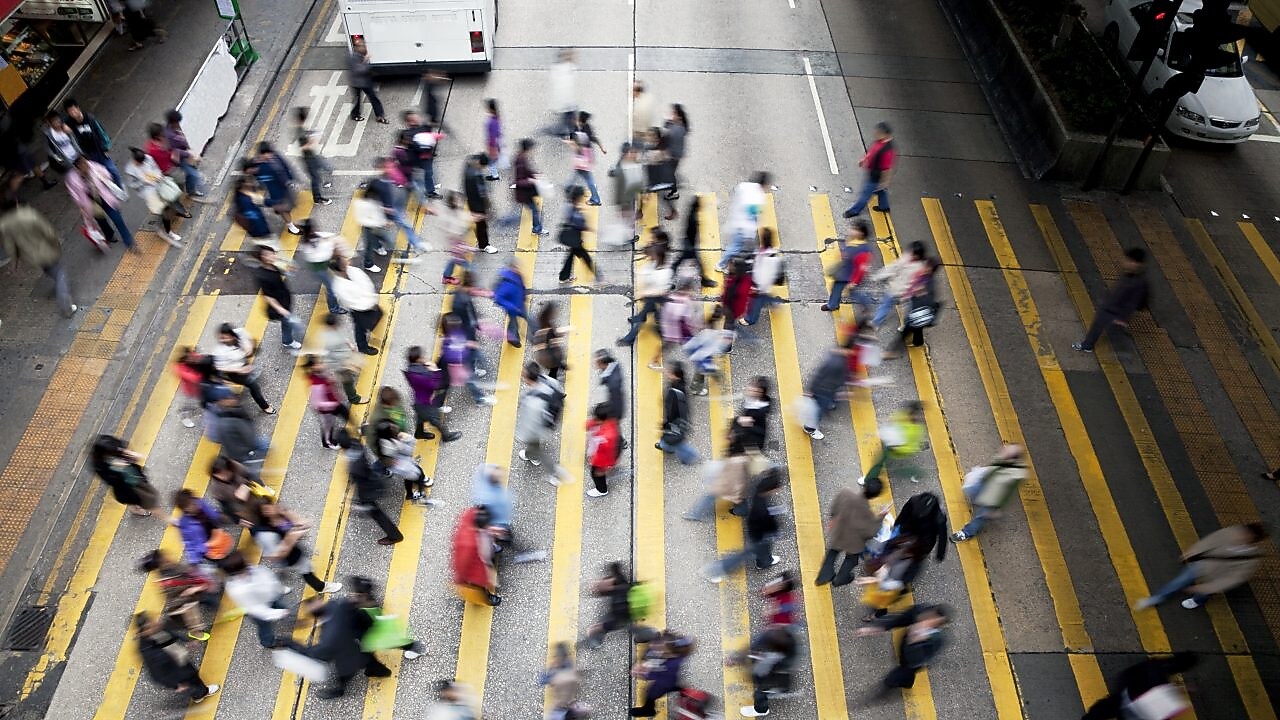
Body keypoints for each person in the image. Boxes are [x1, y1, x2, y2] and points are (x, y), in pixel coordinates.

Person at [1136, 522, 1267, 610]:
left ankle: (1198, 600)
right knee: (1179, 581)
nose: (1240, 535)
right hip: (1203, 565)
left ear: (1252, 540)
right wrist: (1192, 552)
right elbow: (1210, 541)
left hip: (1216, 577)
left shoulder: (1251, 559)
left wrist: (1207, 587)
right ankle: (1157, 598)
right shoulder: (1231, 533)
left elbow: (1232, 579)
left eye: (1245, 535)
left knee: (1203, 592)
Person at [704, 470, 784, 582]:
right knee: (744, 554)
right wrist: (773, 530)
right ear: (771, 489)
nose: (778, 490)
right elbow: (764, 521)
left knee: (761, 550)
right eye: (776, 488)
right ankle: (716, 570)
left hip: (757, 531)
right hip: (759, 535)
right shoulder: (762, 508)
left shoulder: (759, 491)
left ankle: (764, 561)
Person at [855, 604, 949, 697]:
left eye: (932, 621)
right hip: (904, 651)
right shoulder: (918, 611)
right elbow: (897, 620)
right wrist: (873, 629)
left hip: (912, 662)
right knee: (904, 668)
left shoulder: (937, 640)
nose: (926, 620)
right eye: (929, 616)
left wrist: (916, 640)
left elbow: (920, 660)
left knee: (892, 679)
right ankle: (907, 682)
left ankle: (889, 686)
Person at [0, 206, 77, 317]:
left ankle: (59, 287)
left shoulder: (3, 225)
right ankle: (66, 305)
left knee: (50, 270)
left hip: (31, 256)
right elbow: (48, 231)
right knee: (60, 274)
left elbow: (9, 246)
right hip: (46, 250)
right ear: (16, 203)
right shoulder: (29, 214)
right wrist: (56, 243)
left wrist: (15, 261)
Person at [252, 502, 342, 594]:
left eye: (270, 505)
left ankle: (283, 568)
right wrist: (290, 539)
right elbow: (276, 556)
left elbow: (301, 524)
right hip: (288, 556)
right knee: (306, 568)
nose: (273, 507)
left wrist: (288, 515)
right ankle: (321, 587)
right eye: (267, 509)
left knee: (303, 563)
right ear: (263, 514)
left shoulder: (279, 513)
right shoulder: (267, 535)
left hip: (292, 547)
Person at [1073, 247, 1151, 353]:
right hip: (1111, 306)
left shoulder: (1138, 282)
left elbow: (1132, 303)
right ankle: (1088, 344)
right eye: (1127, 260)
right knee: (1102, 326)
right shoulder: (1129, 274)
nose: (1127, 263)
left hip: (1114, 310)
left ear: (1139, 265)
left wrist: (1122, 318)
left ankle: (1088, 345)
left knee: (1104, 327)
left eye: (1131, 261)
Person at [1082, 653, 1198, 720]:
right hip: (1138, 707)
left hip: (1128, 699)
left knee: (1101, 710)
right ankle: (1188, 659)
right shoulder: (1152, 673)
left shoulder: (1149, 674)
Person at [135, 612, 217, 704]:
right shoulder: (148, 651)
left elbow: (171, 635)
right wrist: (176, 685)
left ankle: (197, 691)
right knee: (191, 679)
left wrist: (187, 641)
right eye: (150, 626)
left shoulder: (155, 630)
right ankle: (201, 694)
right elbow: (157, 674)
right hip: (174, 670)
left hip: (177, 658)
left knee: (192, 674)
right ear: (144, 631)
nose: (155, 625)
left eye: (152, 622)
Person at [950, 444, 1026, 542]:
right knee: (971, 490)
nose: (1004, 450)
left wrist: (997, 508)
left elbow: (1006, 494)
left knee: (981, 516)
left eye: (1007, 452)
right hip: (985, 485)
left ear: (1012, 459)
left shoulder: (1014, 476)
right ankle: (981, 504)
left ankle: (967, 533)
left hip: (993, 498)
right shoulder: (1004, 459)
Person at [816, 477, 884, 587]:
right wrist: (881, 517)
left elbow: (834, 508)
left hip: (839, 532)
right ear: (875, 496)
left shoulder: (845, 493)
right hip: (854, 542)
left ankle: (823, 576)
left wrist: (833, 518)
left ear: (864, 486)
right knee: (851, 560)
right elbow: (871, 532)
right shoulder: (868, 515)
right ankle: (840, 579)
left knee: (832, 553)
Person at [138, 549, 216, 642]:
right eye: (163, 560)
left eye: (163, 557)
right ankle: (195, 632)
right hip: (183, 604)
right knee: (192, 617)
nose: (167, 558)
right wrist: (195, 589)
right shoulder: (167, 581)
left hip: (191, 593)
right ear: (160, 565)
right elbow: (179, 600)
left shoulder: (171, 567)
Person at [342, 433, 404, 546]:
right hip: (372, 481)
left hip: (368, 490)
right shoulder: (356, 444)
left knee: (376, 513)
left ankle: (395, 535)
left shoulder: (355, 465)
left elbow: (360, 479)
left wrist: (363, 500)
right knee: (372, 510)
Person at [517, 362, 572, 485]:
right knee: (533, 448)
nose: (522, 376)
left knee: (536, 449)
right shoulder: (548, 380)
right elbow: (559, 392)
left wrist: (522, 437)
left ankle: (554, 473)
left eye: (524, 375)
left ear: (529, 379)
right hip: (551, 417)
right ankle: (531, 455)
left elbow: (530, 426)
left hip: (538, 429)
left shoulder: (532, 402)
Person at [222, 550, 289, 648]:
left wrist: (278, 589)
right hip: (261, 610)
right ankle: (268, 642)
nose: (248, 562)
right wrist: (277, 613)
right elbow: (256, 609)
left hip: (271, 598)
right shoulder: (238, 590)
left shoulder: (251, 569)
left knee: (281, 607)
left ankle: (285, 616)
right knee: (264, 626)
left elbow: (268, 577)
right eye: (245, 562)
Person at [67, 156, 133, 252]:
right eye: (83, 165)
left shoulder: (93, 166)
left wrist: (103, 178)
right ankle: (109, 235)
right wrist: (80, 205)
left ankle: (128, 240)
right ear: (78, 167)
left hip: (104, 196)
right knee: (101, 219)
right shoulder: (72, 178)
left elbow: (106, 174)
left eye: (85, 162)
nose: (86, 165)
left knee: (117, 218)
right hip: (90, 202)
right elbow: (74, 194)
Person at [124, 146, 187, 246]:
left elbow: (155, 168)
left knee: (167, 205)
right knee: (164, 209)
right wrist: (143, 182)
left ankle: (163, 224)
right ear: (135, 160)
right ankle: (168, 231)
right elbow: (132, 184)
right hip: (148, 192)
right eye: (140, 163)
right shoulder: (130, 170)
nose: (142, 164)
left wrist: (158, 175)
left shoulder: (148, 158)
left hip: (158, 185)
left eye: (143, 161)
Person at [618, 240, 673, 346]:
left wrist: (645, 293)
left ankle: (629, 339)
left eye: (652, 255)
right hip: (651, 298)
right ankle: (658, 330)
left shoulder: (665, 272)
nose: (649, 257)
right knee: (652, 316)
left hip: (658, 299)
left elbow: (662, 290)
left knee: (652, 318)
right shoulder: (654, 264)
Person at [857, 401, 926, 485]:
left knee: (883, 465)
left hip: (897, 449)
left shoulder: (916, 430)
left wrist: (896, 447)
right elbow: (893, 420)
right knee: (882, 463)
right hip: (892, 443)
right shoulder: (905, 415)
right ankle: (915, 472)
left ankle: (868, 479)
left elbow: (910, 447)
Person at [211, 322, 275, 412]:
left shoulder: (240, 332)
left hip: (243, 363)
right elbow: (220, 367)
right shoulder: (219, 351)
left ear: (232, 334)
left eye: (225, 337)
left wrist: (249, 347)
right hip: (235, 372)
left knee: (252, 373)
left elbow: (248, 339)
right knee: (254, 387)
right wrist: (240, 370)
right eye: (221, 338)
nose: (223, 340)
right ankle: (265, 407)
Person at [885, 256, 941, 358]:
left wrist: (917, 292)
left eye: (927, 265)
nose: (924, 266)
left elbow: (924, 296)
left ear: (930, 269)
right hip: (919, 312)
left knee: (905, 332)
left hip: (918, 312)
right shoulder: (926, 278)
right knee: (917, 328)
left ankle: (893, 352)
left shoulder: (928, 283)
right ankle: (918, 342)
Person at [738, 623, 799, 717]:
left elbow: (761, 671)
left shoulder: (772, 645)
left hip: (771, 673)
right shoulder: (788, 640)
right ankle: (780, 689)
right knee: (776, 683)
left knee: (761, 691)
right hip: (776, 670)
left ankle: (761, 710)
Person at [92, 434, 159, 517]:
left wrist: (129, 455)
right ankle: (135, 509)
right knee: (133, 498)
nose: (119, 449)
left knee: (141, 492)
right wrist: (118, 468)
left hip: (132, 475)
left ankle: (136, 505)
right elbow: (111, 481)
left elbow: (124, 450)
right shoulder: (100, 466)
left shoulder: (115, 447)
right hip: (125, 485)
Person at [629, 631, 693, 717]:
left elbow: (659, 676)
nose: (652, 645)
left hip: (663, 683)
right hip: (669, 678)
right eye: (657, 642)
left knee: (651, 695)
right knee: (674, 685)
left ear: (670, 654)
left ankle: (648, 710)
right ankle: (682, 690)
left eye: (659, 648)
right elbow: (651, 652)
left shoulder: (670, 666)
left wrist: (642, 673)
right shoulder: (667, 646)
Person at [405, 346, 462, 442]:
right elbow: (434, 385)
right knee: (435, 419)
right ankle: (446, 436)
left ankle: (419, 433)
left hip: (418, 400)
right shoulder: (420, 374)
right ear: (418, 359)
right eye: (422, 357)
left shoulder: (411, 370)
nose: (424, 358)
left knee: (420, 417)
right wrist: (436, 370)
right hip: (425, 402)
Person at [253, 245, 304, 350]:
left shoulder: (272, 266)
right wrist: (281, 309)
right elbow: (268, 296)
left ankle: (288, 336)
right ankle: (287, 341)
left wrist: (288, 267)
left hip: (284, 298)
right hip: (279, 305)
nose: (271, 256)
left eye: (272, 253)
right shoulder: (262, 275)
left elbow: (286, 272)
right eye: (267, 255)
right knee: (287, 323)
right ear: (261, 257)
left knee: (287, 322)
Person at [330, 255, 383, 355]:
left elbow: (367, 283)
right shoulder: (339, 286)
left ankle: (366, 335)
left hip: (369, 303)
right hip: (359, 309)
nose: (347, 261)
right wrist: (369, 304)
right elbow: (352, 302)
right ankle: (362, 347)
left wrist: (372, 299)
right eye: (344, 261)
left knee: (373, 319)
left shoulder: (353, 271)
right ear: (341, 268)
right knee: (360, 327)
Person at [718, 172, 769, 272]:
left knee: (744, 247)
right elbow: (752, 214)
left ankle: (748, 263)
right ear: (764, 184)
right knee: (736, 247)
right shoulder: (759, 196)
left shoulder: (744, 186)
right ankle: (721, 264)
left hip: (737, 220)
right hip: (743, 226)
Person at [870, 240, 928, 328]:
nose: (911, 254)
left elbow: (916, 283)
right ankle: (876, 323)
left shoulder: (920, 268)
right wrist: (879, 275)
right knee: (885, 306)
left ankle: (906, 326)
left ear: (919, 255)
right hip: (893, 288)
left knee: (906, 311)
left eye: (914, 253)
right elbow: (893, 267)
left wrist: (908, 294)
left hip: (905, 293)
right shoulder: (906, 257)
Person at [843, 122, 895, 219]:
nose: (875, 133)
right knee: (881, 191)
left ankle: (854, 211)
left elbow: (886, 169)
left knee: (865, 195)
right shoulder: (879, 141)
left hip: (876, 176)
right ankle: (884, 206)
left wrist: (885, 182)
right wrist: (864, 159)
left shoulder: (887, 150)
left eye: (878, 132)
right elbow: (872, 151)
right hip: (873, 172)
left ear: (885, 134)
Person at [820, 219, 874, 313]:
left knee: (854, 292)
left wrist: (854, 282)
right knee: (837, 289)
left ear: (861, 233)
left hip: (850, 277)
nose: (851, 230)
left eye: (855, 229)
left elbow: (860, 269)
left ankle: (865, 302)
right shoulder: (853, 241)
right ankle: (833, 305)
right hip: (844, 272)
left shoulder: (863, 251)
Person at [452, 505, 501, 606]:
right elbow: (462, 563)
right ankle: (487, 597)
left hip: (483, 552)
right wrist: (460, 579)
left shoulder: (471, 516)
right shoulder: (468, 544)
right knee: (481, 585)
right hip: (478, 567)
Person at [63, 99, 120, 186]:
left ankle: (120, 188)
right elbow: (62, 124)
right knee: (98, 176)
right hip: (88, 155)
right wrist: (65, 127)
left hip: (100, 150)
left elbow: (101, 132)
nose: (73, 114)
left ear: (78, 108)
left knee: (112, 170)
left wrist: (106, 148)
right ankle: (108, 192)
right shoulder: (70, 122)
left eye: (74, 110)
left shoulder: (90, 118)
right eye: (70, 112)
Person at [581, 562, 637, 649]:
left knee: (602, 625)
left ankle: (596, 643)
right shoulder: (620, 580)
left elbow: (611, 624)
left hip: (624, 615)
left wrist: (593, 629)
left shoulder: (618, 605)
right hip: (627, 607)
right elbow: (615, 569)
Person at [800, 345, 850, 440]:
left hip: (826, 390)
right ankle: (810, 428)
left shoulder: (834, 359)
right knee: (818, 411)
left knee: (819, 408)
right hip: (824, 391)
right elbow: (821, 376)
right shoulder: (837, 363)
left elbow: (819, 374)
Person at [250, 142, 299, 235]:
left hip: (285, 186)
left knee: (290, 205)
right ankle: (290, 226)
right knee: (283, 209)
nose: (269, 156)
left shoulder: (276, 157)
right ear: (260, 154)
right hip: (275, 191)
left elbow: (285, 166)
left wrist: (291, 180)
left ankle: (279, 210)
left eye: (270, 153)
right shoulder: (257, 166)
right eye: (265, 154)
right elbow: (255, 176)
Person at [173, 489, 228, 568]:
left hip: (213, 531)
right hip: (207, 547)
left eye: (193, 500)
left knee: (223, 549)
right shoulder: (185, 524)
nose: (195, 504)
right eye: (191, 504)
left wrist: (219, 516)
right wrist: (194, 561)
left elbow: (211, 511)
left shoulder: (200, 503)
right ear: (185, 509)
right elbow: (189, 543)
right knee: (220, 561)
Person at [656, 362, 699, 465]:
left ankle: (691, 456)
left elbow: (673, 411)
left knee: (677, 443)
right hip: (677, 421)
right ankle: (667, 446)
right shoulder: (679, 385)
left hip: (675, 422)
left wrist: (666, 423)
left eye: (670, 372)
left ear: (676, 375)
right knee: (673, 440)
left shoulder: (676, 391)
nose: (667, 372)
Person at [303, 355, 349, 448]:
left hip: (335, 401)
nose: (321, 364)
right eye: (318, 363)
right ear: (313, 367)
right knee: (328, 427)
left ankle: (355, 426)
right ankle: (328, 443)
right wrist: (332, 404)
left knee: (346, 413)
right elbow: (317, 404)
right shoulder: (315, 384)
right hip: (327, 410)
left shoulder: (322, 372)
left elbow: (330, 380)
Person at [320, 313, 367, 404]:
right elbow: (329, 356)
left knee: (350, 374)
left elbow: (341, 337)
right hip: (341, 364)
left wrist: (349, 344)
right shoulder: (329, 341)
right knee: (348, 381)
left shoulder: (332, 330)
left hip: (346, 357)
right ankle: (353, 398)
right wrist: (345, 363)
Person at [292, 106, 333, 205]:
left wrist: (310, 135)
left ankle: (327, 170)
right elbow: (303, 147)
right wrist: (312, 141)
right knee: (315, 178)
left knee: (324, 166)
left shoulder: (300, 129)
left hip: (311, 157)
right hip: (308, 159)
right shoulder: (300, 132)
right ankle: (317, 199)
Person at [557, 185, 599, 284]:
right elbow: (580, 224)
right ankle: (599, 277)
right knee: (585, 257)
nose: (583, 198)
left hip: (573, 237)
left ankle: (564, 276)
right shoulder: (574, 210)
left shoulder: (569, 205)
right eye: (582, 196)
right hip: (574, 238)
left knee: (571, 256)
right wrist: (590, 228)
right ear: (577, 197)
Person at [657, 278, 700, 371]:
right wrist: (694, 325)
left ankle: (655, 360)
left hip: (674, 331)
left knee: (668, 346)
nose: (692, 293)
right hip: (678, 331)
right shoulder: (684, 301)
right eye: (691, 290)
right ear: (687, 290)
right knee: (668, 346)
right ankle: (655, 360)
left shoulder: (673, 297)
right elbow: (687, 317)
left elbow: (665, 313)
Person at [673, 195, 716, 288]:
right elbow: (691, 232)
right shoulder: (693, 218)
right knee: (697, 264)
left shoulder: (692, 214)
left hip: (688, 243)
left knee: (679, 261)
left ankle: (671, 278)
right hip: (689, 246)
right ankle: (704, 281)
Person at [164, 110, 206, 199]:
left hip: (185, 153)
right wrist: (188, 153)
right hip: (180, 157)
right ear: (173, 122)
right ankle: (191, 191)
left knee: (193, 170)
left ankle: (190, 186)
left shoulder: (173, 128)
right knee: (193, 174)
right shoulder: (169, 136)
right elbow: (174, 150)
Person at [540, 641, 587, 720]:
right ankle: (580, 712)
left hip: (561, 705)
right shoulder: (569, 667)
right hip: (567, 702)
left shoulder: (555, 673)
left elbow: (542, 680)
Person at [507, 138, 545, 235]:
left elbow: (526, 172)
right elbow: (518, 181)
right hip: (523, 193)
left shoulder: (523, 158)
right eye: (532, 149)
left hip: (525, 192)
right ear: (527, 149)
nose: (534, 151)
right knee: (530, 212)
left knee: (531, 211)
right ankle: (537, 229)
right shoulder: (521, 160)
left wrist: (535, 175)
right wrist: (531, 180)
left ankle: (537, 228)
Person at [347, 38, 387, 123]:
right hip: (357, 83)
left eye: (364, 45)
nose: (364, 47)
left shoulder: (362, 54)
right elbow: (358, 70)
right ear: (356, 48)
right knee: (357, 100)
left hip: (365, 82)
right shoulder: (353, 58)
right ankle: (355, 115)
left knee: (373, 98)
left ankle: (380, 115)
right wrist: (365, 61)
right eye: (361, 46)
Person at [586, 401, 621, 498]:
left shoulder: (607, 437)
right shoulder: (611, 422)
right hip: (604, 453)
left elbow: (607, 454)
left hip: (602, 460)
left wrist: (602, 468)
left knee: (596, 474)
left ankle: (602, 489)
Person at [463, 153, 496, 253]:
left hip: (472, 201)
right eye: (483, 167)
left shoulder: (468, 166)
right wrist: (487, 205)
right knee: (481, 225)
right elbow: (482, 193)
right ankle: (484, 245)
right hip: (477, 204)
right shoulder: (475, 176)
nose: (483, 169)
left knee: (479, 224)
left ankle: (482, 243)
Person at [440, 191, 475, 285]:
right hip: (456, 245)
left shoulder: (455, 211)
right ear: (453, 202)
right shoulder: (450, 215)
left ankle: (446, 277)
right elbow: (453, 230)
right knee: (464, 263)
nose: (460, 201)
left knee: (453, 260)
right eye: (457, 200)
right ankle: (470, 280)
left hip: (457, 244)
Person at [472, 464, 513, 542]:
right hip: (495, 521)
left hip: (492, 519)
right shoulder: (493, 497)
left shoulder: (481, 482)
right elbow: (501, 511)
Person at [493, 258, 529, 347]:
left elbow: (521, 286)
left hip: (519, 303)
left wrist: (524, 296)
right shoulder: (505, 283)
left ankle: (537, 333)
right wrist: (512, 307)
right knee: (513, 323)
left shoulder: (517, 275)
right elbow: (499, 299)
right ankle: (512, 339)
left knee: (529, 319)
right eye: (515, 267)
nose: (517, 269)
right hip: (513, 308)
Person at [532, 302, 569, 379]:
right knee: (554, 369)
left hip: (542, 356)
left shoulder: (541, 322)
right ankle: (553, 377)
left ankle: (560, 366)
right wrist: (562, 332)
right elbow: (554, 344)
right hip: (549, 358)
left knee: (556, 364)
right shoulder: (549, 330)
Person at [232, 175, 273, 243]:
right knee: (268, 251)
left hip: (257, 232)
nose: (253, 183)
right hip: (260, 233)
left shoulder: (244, 196)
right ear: (244, 186)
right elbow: (255, 218)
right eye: (250, 182)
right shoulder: (245, 201)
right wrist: (265, 233)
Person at [663, 104, 689, 202]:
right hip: (676, 154)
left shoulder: (677, 130)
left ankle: (674, 192)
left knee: (670, 173)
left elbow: (670, 141)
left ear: (678, 116)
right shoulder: (679, 125)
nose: (671, 114)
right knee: (670, 172)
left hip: (674, 156)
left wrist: (667, 154)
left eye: (673, 113)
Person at [568, 131, 602, 206]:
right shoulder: (583, 135)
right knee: (580, 179)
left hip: (583, 164)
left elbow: (579, 149)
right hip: (583, 163)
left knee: (589, 181)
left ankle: (596, 199)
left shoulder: (579, 141)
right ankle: (569, 189)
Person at [43, 111, 81, 176]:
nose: (57, 122)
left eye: (58, 119)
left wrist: (71, 132)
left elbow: (76, 138)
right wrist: (58, 159)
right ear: (50, 123)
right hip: (67, 161)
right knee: (76, 176)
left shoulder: (66, 126)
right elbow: (48, 148)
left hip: (77, 154)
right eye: (54, 121)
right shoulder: (49, 134)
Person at [721, 256, 753, 328]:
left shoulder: (734, 284)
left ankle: (728, 335)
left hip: (732, 310)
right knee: (730, 321)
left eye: (730, 265)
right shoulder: (746, 278)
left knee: (728, 323)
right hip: (738, 308)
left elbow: (727, 297)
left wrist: (724, 306)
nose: (728, 267)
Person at [595, 349, 626, 422]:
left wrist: (612, 416)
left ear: (603, 364)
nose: (595, 363)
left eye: (597, 362)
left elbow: (617, 402)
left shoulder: (613, 384)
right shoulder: (613, 364)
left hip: (615, 410)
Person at [483, 98, 503, 181]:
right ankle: (494, 174)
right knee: (493, 160)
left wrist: (491, 146)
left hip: (493, 144)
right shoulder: (496, 118)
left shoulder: (492, 120)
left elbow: (493, 135)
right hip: (496, 143)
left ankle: (495, 176)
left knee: (492, 160)